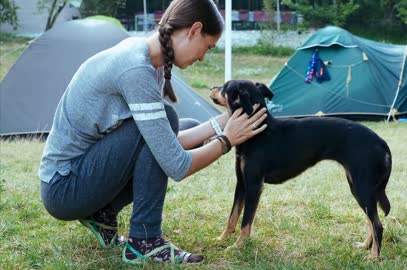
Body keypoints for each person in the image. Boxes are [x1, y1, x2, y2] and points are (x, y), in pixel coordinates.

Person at [38, 0, 268, 265]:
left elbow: (161, 144)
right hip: (64, 189)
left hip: (83, 176)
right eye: (208, 47)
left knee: (188, 124)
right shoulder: (136, 69)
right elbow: (175, 165)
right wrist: (227, 140)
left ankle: (102, 213)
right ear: (194, 30)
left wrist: (224, 121)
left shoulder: (149, 59)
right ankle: (144, 240)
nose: (203, 56)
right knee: (169, 118)